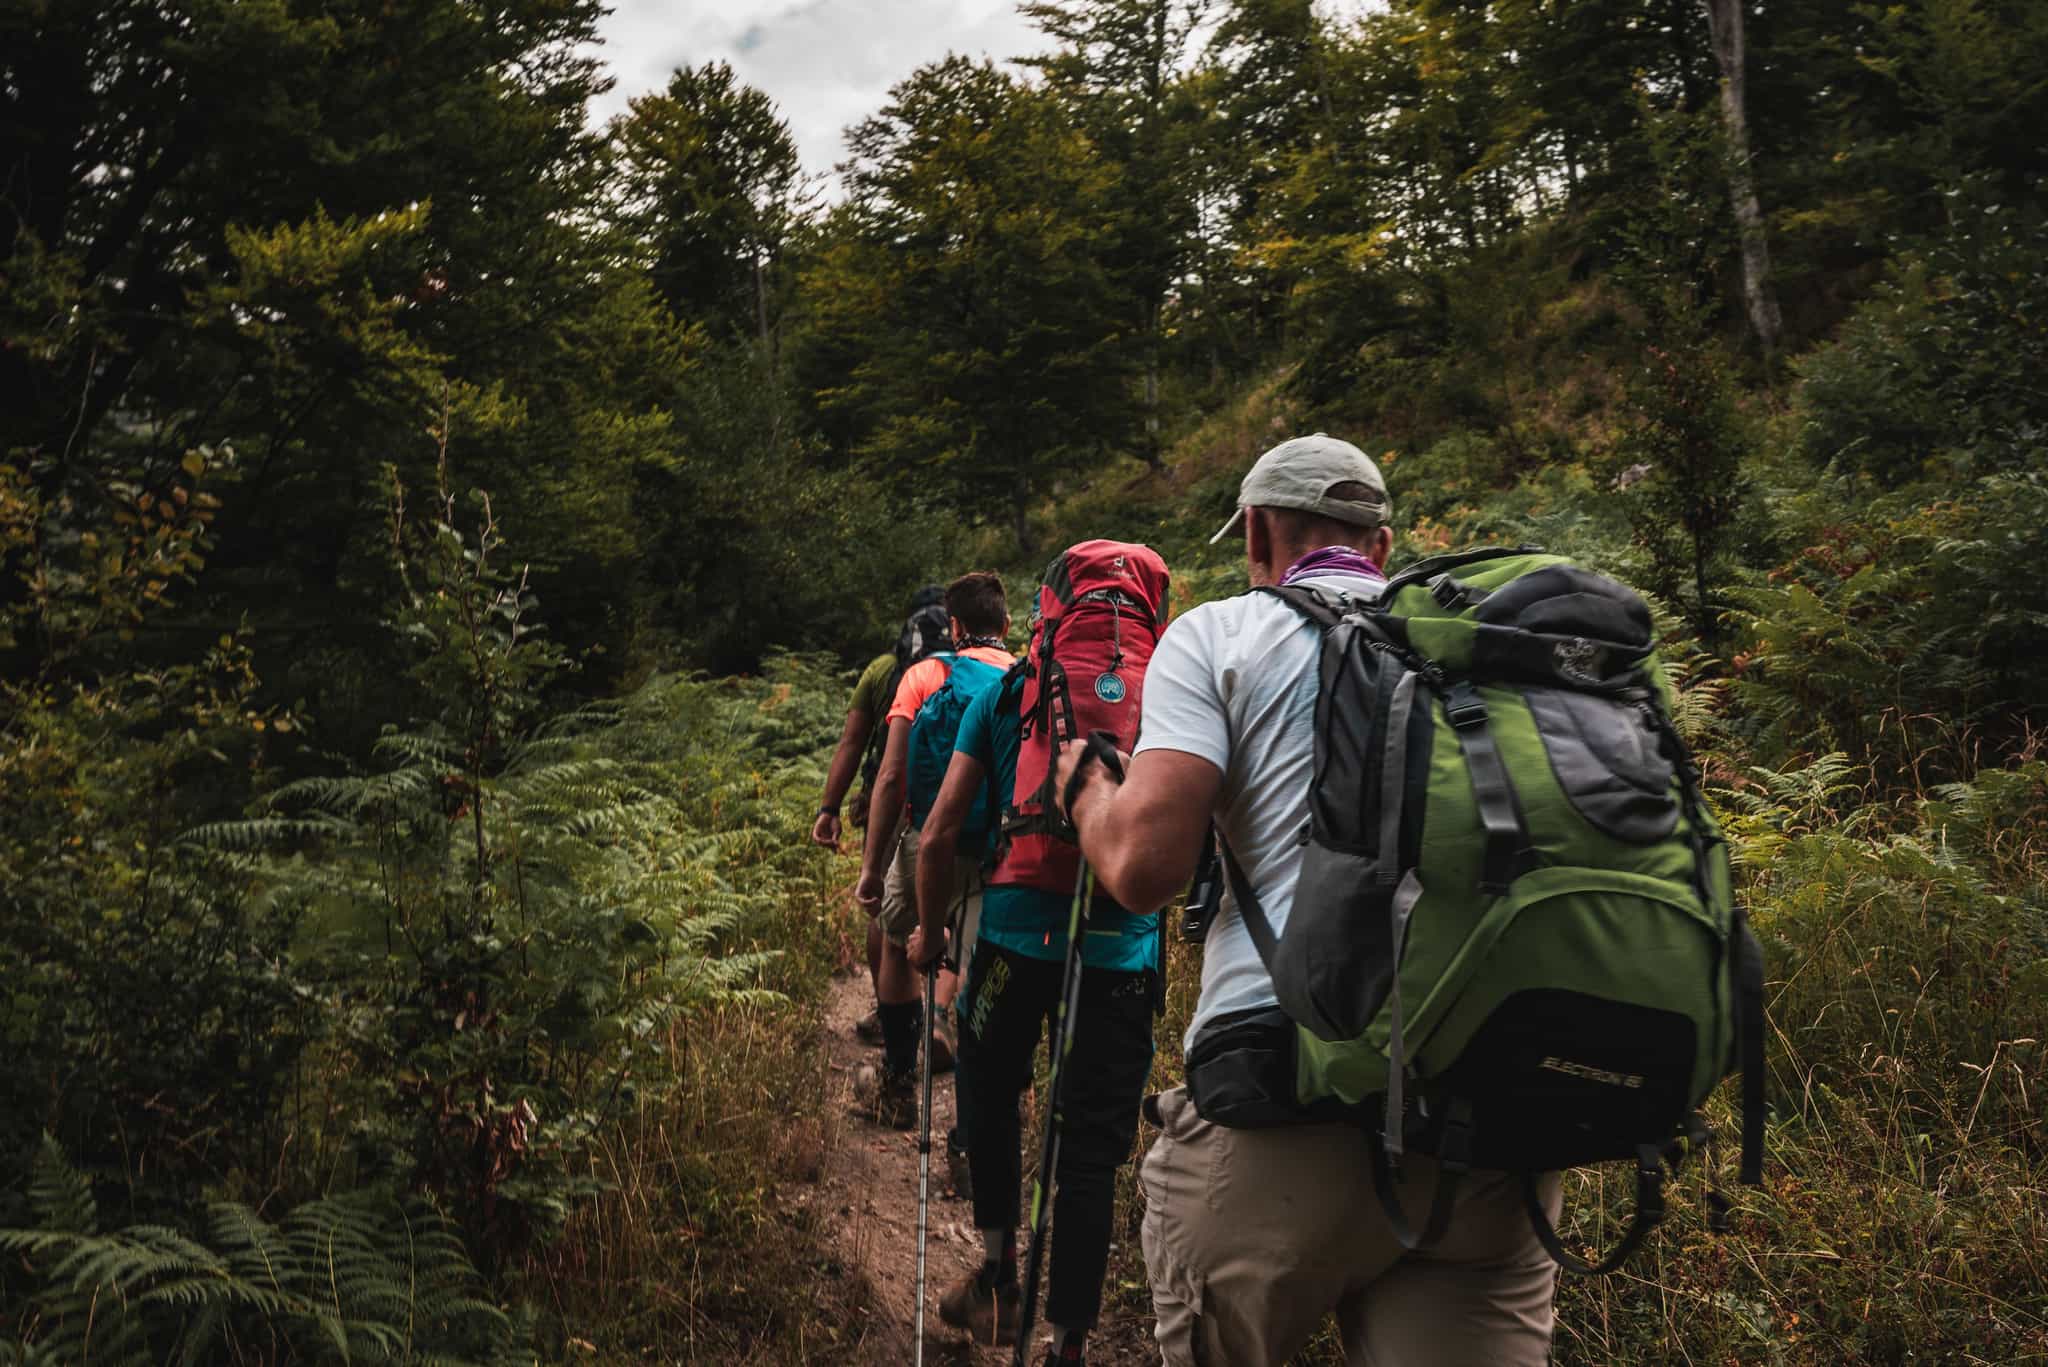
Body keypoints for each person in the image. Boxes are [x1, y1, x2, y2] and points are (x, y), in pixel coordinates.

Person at [1053, 434, 1563, 1366]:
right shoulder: (1485, 646)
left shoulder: (1219, 635)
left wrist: (1088, 791)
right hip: (1492, 1125)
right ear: (1382, 542)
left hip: (1285, 1101)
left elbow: (1145, 868)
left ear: (1256, 531)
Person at [909, 553, 1164, 1367]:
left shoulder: (1007, 691)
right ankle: (1070, 1343)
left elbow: (944, 827)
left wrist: (928, 931)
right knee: (1089, 1145)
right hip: (1123, 951)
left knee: (988, 1081)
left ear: (1048, 615)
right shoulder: (1173, 686)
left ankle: (996, 1276)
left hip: (1017, 940)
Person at [853, 572, 1014, 1129]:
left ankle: (898, 1085)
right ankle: (969, 1138)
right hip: (1000, 848)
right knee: (977, 966)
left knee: (899, 946)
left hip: (927, 842)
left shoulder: (924, 675)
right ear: (1006, 625)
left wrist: (872, 867)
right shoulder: (1027, 678)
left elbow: (893, 776)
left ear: (955, 625)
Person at [814, 586, 949, 1047]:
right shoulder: (970, 667)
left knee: (886, 915)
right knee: (953, 908)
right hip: (959, 799)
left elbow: (853, 743)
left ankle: (888, 1014)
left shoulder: (883, 671)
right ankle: (942, 1020)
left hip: (890, 804)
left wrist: (829, 807)